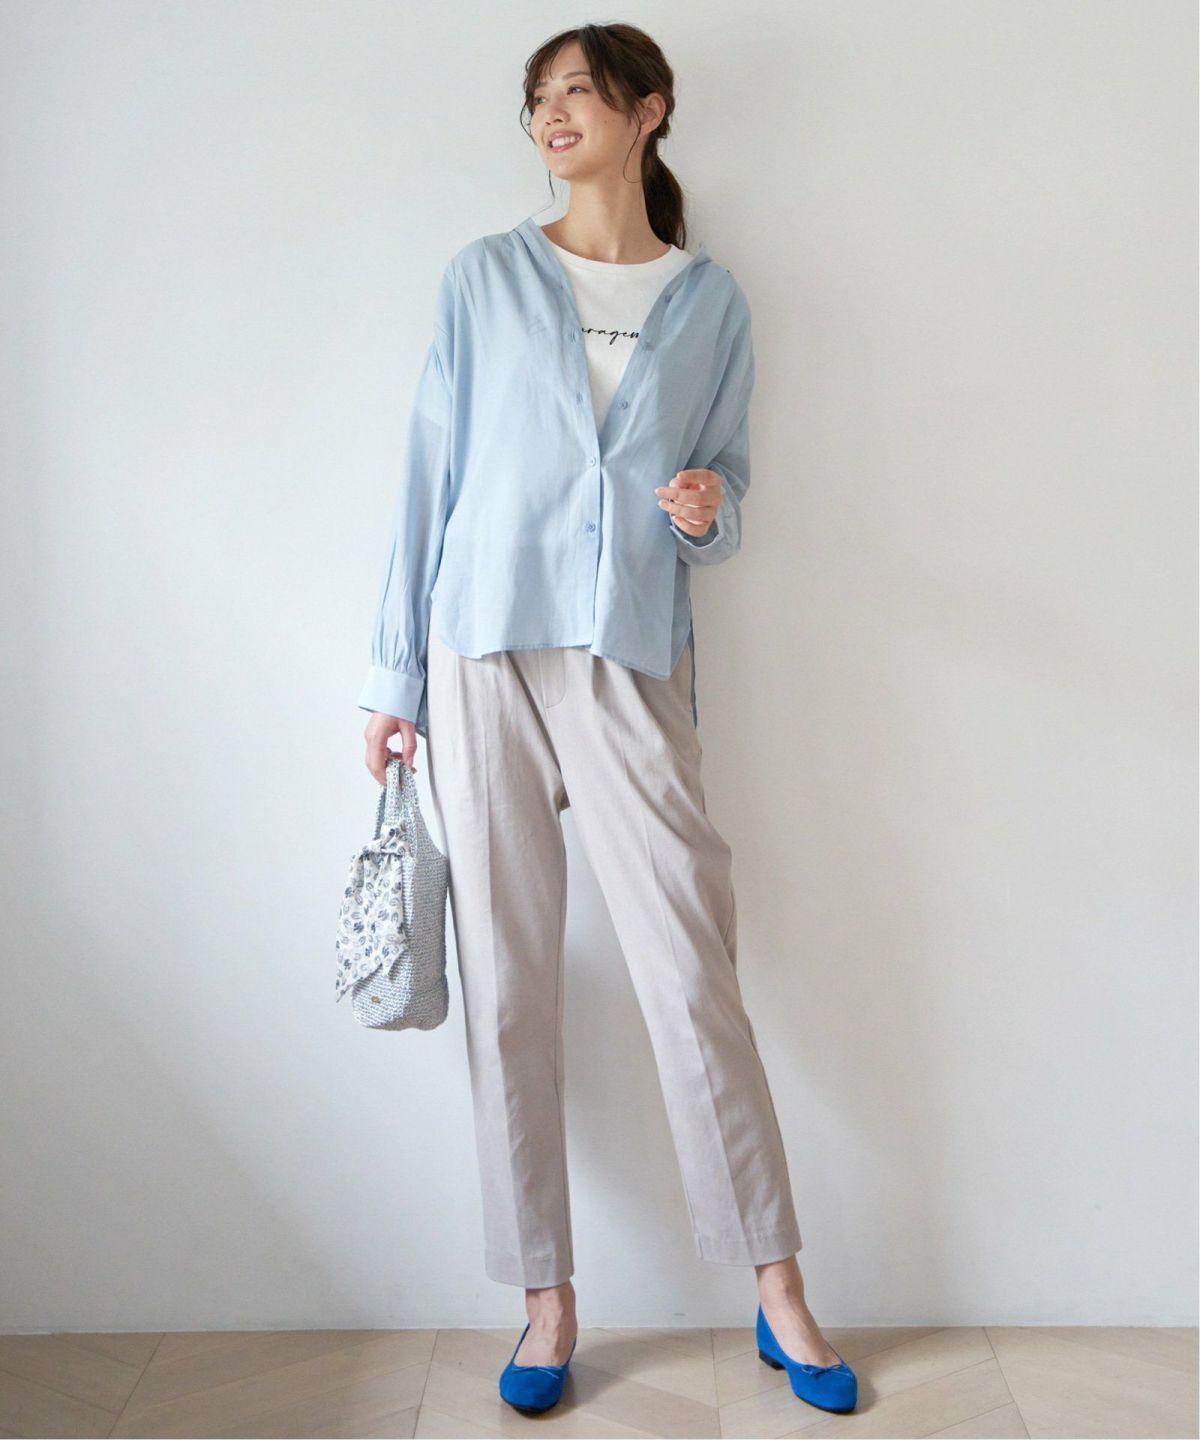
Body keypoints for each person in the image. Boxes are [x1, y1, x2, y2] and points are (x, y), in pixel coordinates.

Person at [358, 21, 857, 1419]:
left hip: (629, 656)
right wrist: (393, 682)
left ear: (649, 111)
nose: (552, 115)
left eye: (577, 90)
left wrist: (706, 508)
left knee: (691, 971)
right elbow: (428, 473)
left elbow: (726, 484)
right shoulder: (483, 277)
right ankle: (545, 1298)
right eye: (538, 99)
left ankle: (778, 1290)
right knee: (511, 985)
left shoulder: (713, 301)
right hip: (479, 650)